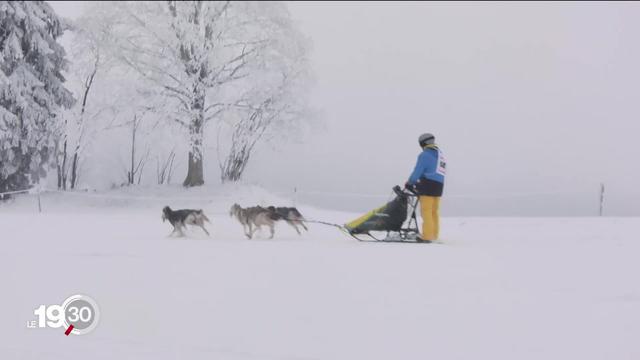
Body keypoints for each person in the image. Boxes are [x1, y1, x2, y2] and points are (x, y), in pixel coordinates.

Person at [405, 133, 446, 243]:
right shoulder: (440, 155)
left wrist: (410, 182)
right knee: (434, 212)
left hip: (427, 185)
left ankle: (427, 236)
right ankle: (434, 235)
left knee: (426, 211)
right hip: (439, 186)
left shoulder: (424, 155)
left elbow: (418, 170)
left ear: (422, 143)